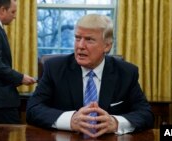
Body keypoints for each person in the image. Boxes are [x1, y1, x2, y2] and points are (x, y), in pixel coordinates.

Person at [26, 14, 154, 138]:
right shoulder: (55, 69)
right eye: (77, 38)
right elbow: (33, 109)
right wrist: (70, 120)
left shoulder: (126, 73)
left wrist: (115, 123)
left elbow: (146, 114)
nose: (80, 46)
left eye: (89, 39)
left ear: (107, 46)